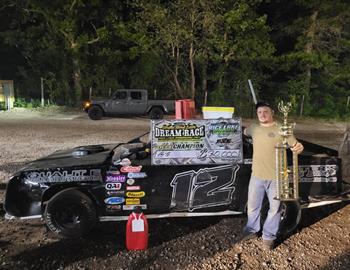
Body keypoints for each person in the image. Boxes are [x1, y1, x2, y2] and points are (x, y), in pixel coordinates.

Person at [242, 101, 304, 250]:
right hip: (256, 176)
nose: (262, 115)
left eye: (265, 112)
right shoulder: (254, 128)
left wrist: (299, 147)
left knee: (275, 209)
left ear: (272, 113)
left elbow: (296, 146)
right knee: (252, 207)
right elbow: (244, 132)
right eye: (259, 112)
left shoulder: (282, 129)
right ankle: (252, 230)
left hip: (277, 178)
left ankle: (268, 237)